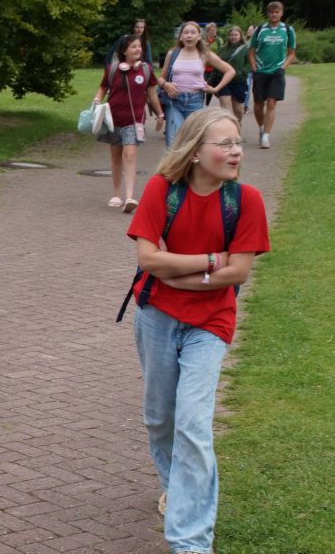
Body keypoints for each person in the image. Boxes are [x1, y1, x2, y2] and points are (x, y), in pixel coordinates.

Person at [127, 107, 269, 554]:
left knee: (192, 422)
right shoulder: (161, 189)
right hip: (157, 316)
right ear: (194, 151)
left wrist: (177, 274)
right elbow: (149, 260)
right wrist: (209, 261)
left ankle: (190, 541)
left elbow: (238, 273)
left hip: (211, 322)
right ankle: (177, 488)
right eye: (225, 144)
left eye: (238, 142)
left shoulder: (247, 201)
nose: (236, 151)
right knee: (160, 417)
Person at [92, 35, 165, 213]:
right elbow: (103, 87)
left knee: (130, 155)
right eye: (133, 46)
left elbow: (152, 94)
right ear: (124, 51)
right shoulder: (113, 69)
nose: (138, 49)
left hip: (135, 120)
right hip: (113, 119)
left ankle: (130, 197)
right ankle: (117, 194)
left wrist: (160, 114)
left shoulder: (146, 70)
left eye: (139, 46)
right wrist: (97, 100)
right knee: (116, 157)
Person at [156, 21, 236, 147]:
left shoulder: (204, 54)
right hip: (174, 101)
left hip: (195, 102)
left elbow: (230, 71)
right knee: (173, 143)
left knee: (193, 143)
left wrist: (215, 89)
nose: (189, 35)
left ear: (199, 37)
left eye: (193, 32)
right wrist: (165, 85)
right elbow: (160, 78)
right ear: (181, 37)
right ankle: (173, 161)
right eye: (186, 32)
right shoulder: (173, 54)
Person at [248, 1, 297, 149]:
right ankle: (261, 127)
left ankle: (266, 136)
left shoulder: (288, 30)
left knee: (271, 102)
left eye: (277, 12)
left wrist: (283, 67)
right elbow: (251, 52)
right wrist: (254, 69)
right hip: (261, 71)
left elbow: (291, 53)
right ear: (267, 14)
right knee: (258, 104)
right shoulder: (260, 30)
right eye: (271, 12)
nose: (274, 15)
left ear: (281, 13)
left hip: (277, 71)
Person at [213, 26, 251, 126]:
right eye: (231, 35)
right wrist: (211, 81)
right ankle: (228, 129)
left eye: (235, 35)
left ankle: (237, 125)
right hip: (223, 81)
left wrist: (242, 72)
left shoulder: (245, 49)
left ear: (240, 36)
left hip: (238, 81)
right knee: (225, 108)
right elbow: (216, 63)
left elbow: (250, 63)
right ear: (228, 36)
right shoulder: (222, 49)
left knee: (238, 110)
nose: (233, 37)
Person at [202, 23, 223, 105]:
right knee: (201, 85)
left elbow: (221, 52)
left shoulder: (218, 40)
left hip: (214, 67)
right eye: (212, 30)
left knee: (210, 85)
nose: (214, 32)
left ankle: (207, 103)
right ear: (207, 31)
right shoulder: (203, 39)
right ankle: (201, 102)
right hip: (203, 66)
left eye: (215, 30)